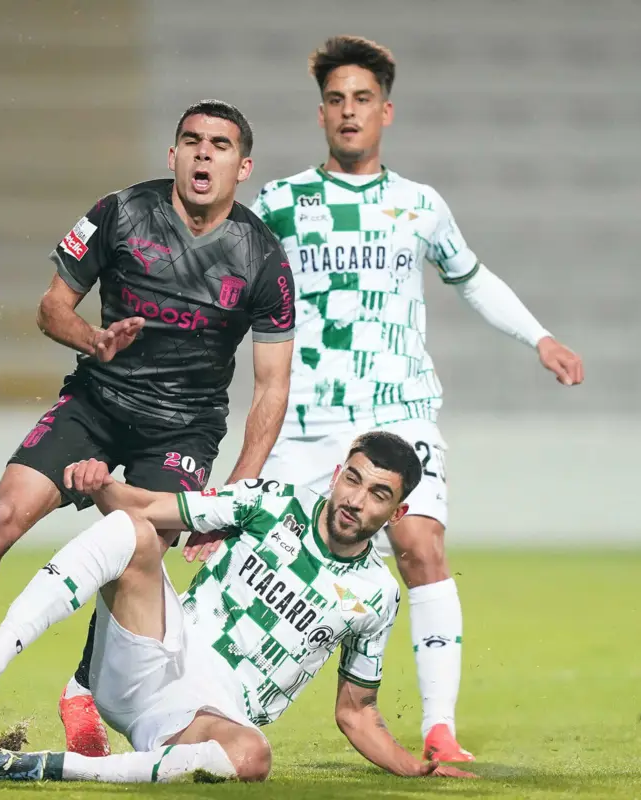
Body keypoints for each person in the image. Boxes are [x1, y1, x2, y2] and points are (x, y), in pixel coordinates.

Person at [0, 100, 295, 747]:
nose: (203, 153)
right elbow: (50, 308)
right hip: (96, 403)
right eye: (191, 141)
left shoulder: (262, 258)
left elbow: (272, 388)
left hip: (181, 432)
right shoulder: (121, 213)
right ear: (172, 154)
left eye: (219, 144)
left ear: (244, 166)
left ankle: (81, 693)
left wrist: (231, 498)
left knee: (137, 550)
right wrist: (93, 340)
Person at [185, 36, 586, 763]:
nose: (348, 111)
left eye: (362, 99)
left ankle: (440, 727)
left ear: (386, 112)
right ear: (320, 114)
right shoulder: (281, 202)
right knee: (227, 545)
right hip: (306, 414)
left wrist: (541, 339)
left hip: (398, 406)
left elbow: (472, 278)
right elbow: (229, 283)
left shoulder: (419, 206)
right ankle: (126, 686)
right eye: (336, 99)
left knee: (420, 546)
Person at [0, 432, 476, 783]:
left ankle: (52, 768)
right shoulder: (271, 502)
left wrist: (417, 766)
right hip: (156, 653)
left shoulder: (377, 596)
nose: (355, 499)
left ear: (398, 512)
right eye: (352, 479)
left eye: (378, 493)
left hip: (205, 721)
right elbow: (151, 507)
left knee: (253, 758)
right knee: (132, 529)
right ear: (336, 476)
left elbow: (356, 711)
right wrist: (102, 485)